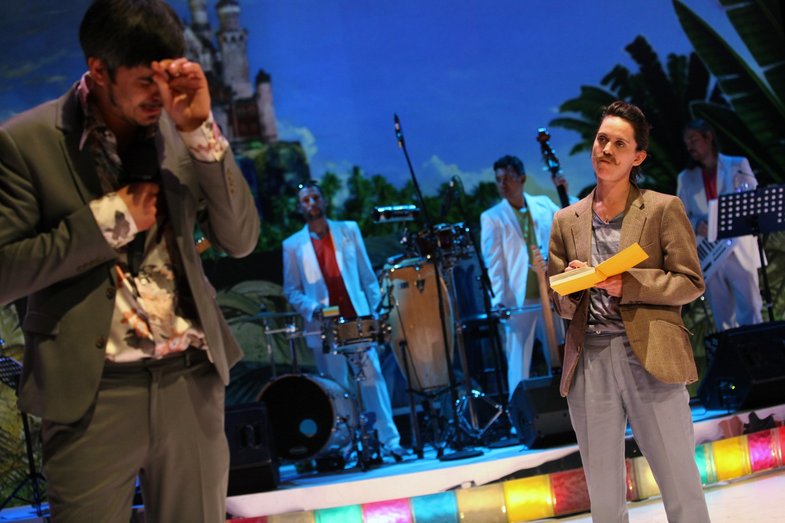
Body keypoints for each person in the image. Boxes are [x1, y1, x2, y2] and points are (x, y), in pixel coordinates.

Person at [0, 0, 260, 520]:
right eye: (145, 81)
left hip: (190, 381)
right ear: (99, 70)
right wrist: (111, 221)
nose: (159, 95)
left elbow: (241, 240)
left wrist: (201, 133)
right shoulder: (25, 143)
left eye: (167, 78)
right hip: (92, 394)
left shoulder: (181, 129)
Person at [547, 101, 710, 522]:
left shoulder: (661, 208)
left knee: (680, 483)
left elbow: (690, 281)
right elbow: (558, 300)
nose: (606, 149)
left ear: (637, 157)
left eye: (619, 143)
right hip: (590, 359)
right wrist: (572, 285)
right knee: (604, 497)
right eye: (602, 139)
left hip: (650, 353)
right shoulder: (566, 220)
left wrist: (630, 284)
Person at [282, 181, 404, 460]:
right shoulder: (292, 245)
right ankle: (347, 446)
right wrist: (313, 309)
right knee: (337, 388)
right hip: (324, 326)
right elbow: (291, 289)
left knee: (372, 379)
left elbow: (366, 276)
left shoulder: (348, 230)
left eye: (315, 197)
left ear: (324, 201)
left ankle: (389, 440)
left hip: (357, 319)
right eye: (305, 200)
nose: (312, 204)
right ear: (300, 207)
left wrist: (376, 312)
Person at [480, 155, 567, 396]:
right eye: (499, 179)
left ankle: (568, 405)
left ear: (522, 178)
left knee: (561, 354)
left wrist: (563, 189)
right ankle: (519, 411)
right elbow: (493, 263)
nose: (503, 184)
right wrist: (499, 300)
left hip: (549, 293)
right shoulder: (492, 217)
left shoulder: (543, 205)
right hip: (519, 299)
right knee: (519, 359)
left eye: (508, 178)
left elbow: (569, 217)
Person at [677, 119, 762, 331]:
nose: (690, 147)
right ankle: (732, 352)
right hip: (709, 254)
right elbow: (680, 216)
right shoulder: (686, 178)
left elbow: (752, 199)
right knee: (722, 317)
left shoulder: (737, 165)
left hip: (739, 248)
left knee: (751, 310)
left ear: (708, 137)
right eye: (687, 143)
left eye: (694, 140)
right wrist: (696, 224)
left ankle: (759, 351)